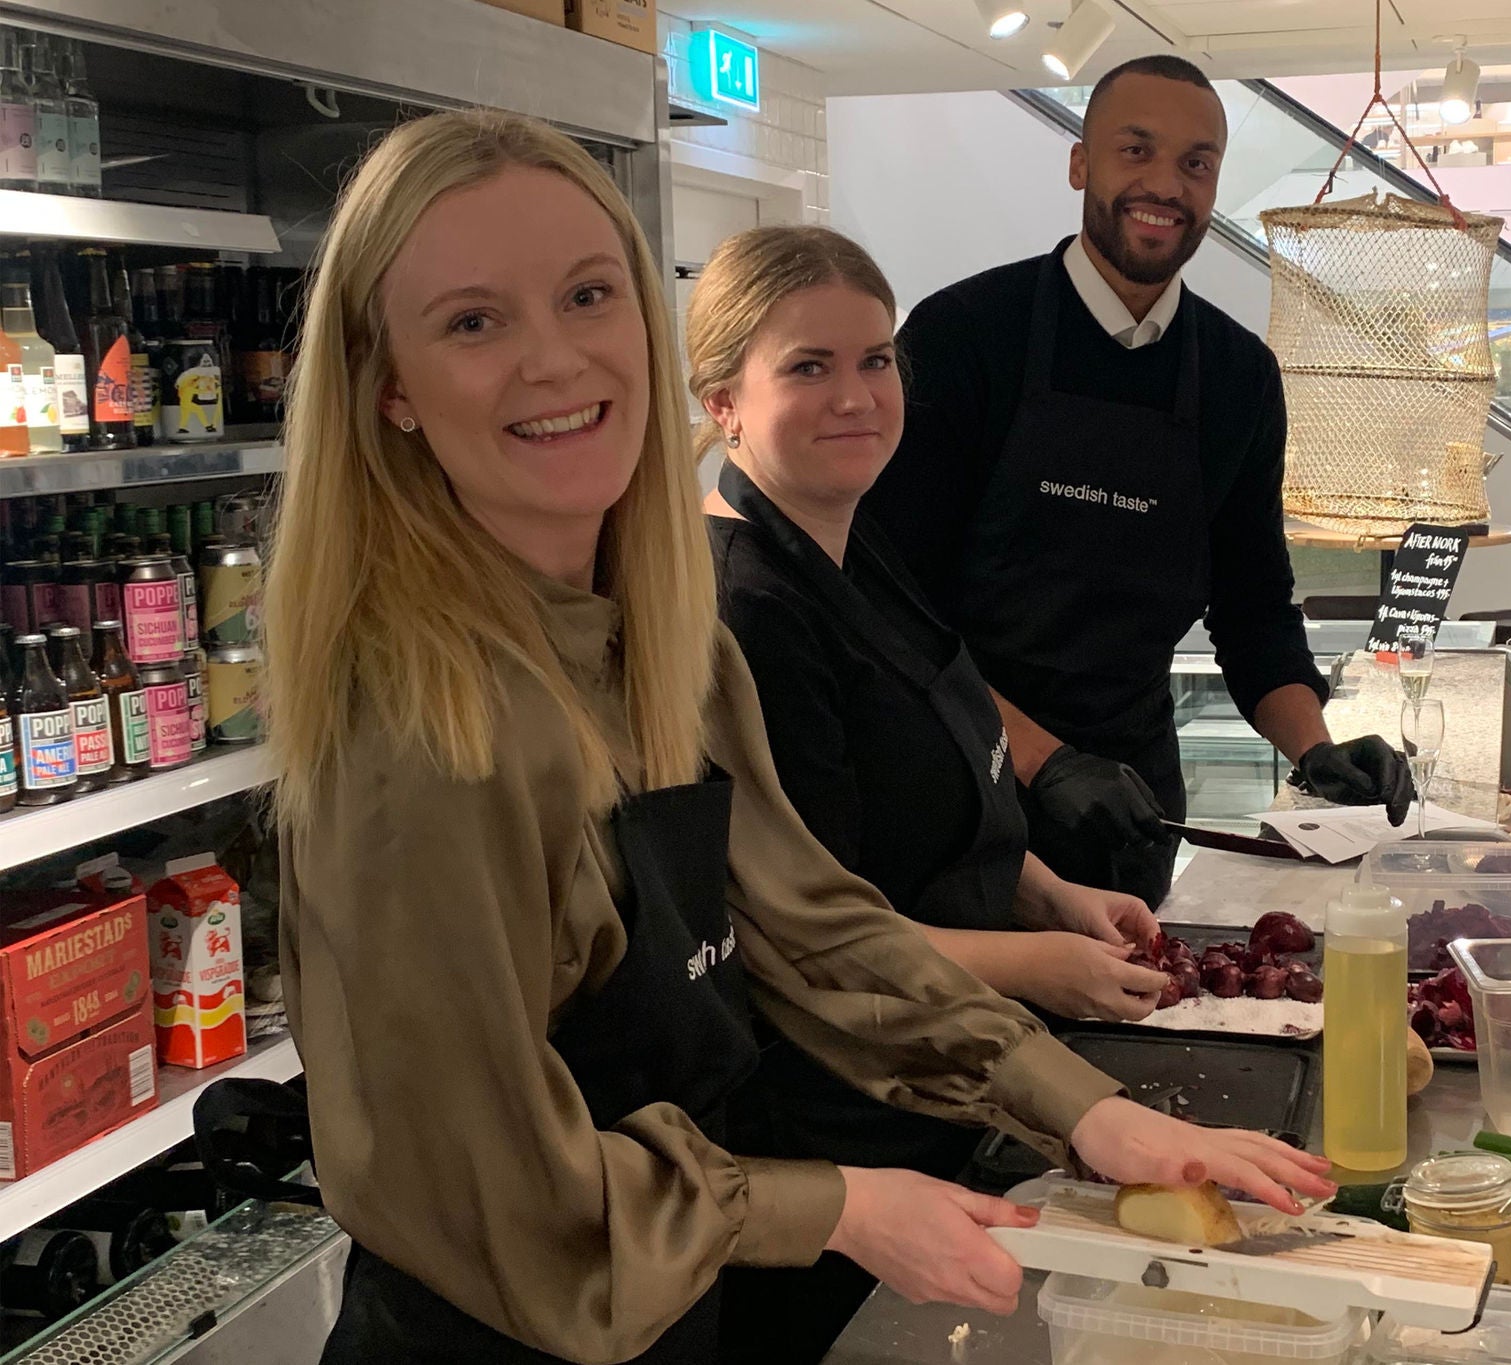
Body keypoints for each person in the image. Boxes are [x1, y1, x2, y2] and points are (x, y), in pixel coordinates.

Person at [260, 109, 1334, 1365]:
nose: (554, 362)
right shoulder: (420, 739)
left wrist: (1090, 1115)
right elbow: (483, 1189)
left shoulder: (661, 642)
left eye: (588, 295)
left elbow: (811, 923)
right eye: (473, 321)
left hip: (673, 1314)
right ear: (387, 384)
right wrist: (840, 1204)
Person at [695, 224, 1175, 1362]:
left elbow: (933, 804)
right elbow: (814, 936)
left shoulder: (857, 549)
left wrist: (1052, 895)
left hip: (945, 1089)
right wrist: (1044, 970)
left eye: (874, 359)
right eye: (807, 367)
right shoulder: (747, 613)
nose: (857, 395)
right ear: (721, 403)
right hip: (838, 1133)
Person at [866, 54, 1413, 909]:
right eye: (1136, 150)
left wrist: (1316, 748)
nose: (1166, 184)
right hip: (960, 803)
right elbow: (894, 619)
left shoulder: (1237, 375)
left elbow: (1253, 608)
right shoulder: (963, 337)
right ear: (1081, 163)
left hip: (1132, 814)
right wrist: (1047, 762)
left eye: (1196, 164)